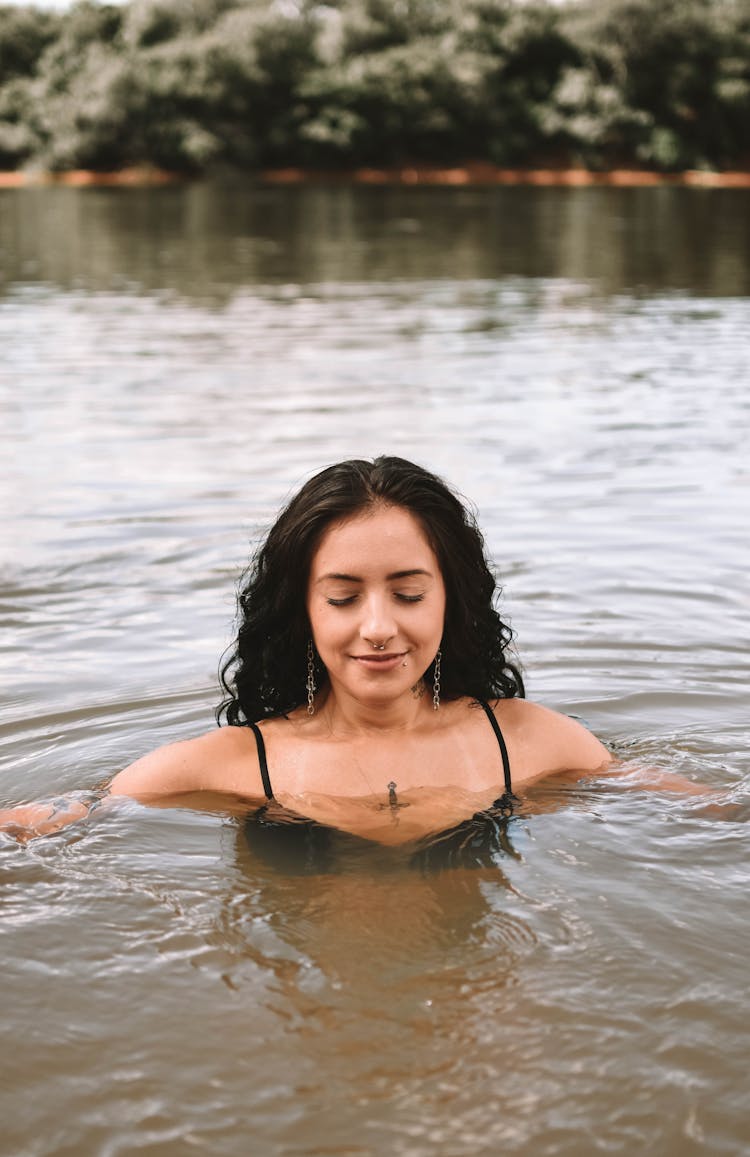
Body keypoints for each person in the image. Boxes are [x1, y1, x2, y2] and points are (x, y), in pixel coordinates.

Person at [1, 456, 612, 848]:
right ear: (303, 611)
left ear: (452, 601)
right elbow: (63, 819)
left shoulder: (531, 743)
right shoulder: (236, 763)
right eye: (344, 598)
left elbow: (692, 809)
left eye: (408, 594)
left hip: (472, 1019)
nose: (378, 627)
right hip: (305, 1025)